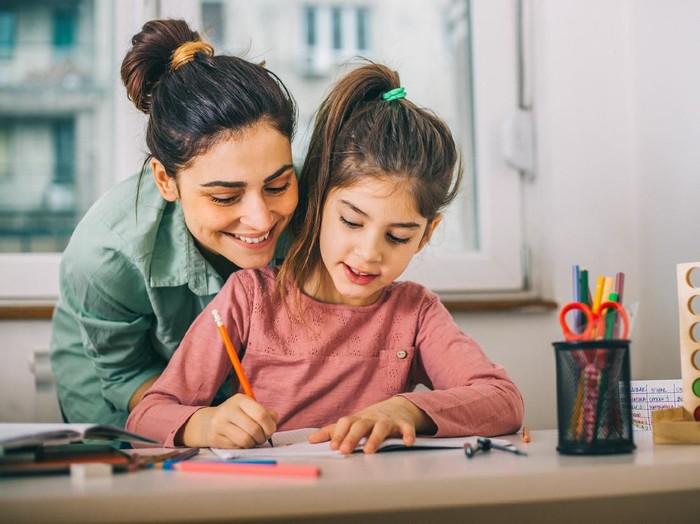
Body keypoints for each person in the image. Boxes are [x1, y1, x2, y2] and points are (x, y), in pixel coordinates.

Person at [127, 62, 524, 453]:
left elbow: (503, 401)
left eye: (398, 236)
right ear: (317, 202)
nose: (369, 254)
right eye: (352, 222)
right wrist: (205, 423)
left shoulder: (415, 313)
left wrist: (406, 409)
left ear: (426, 235)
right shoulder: (250, 298)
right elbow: (147, 414)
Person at [50, 19, 298, 427]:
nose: (260, 219)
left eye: (277, 185)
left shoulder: (320, 207)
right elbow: (124, 374)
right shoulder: (105, 255)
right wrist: (201, 422)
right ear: (166, 181)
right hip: (121, 385)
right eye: (224, 196)